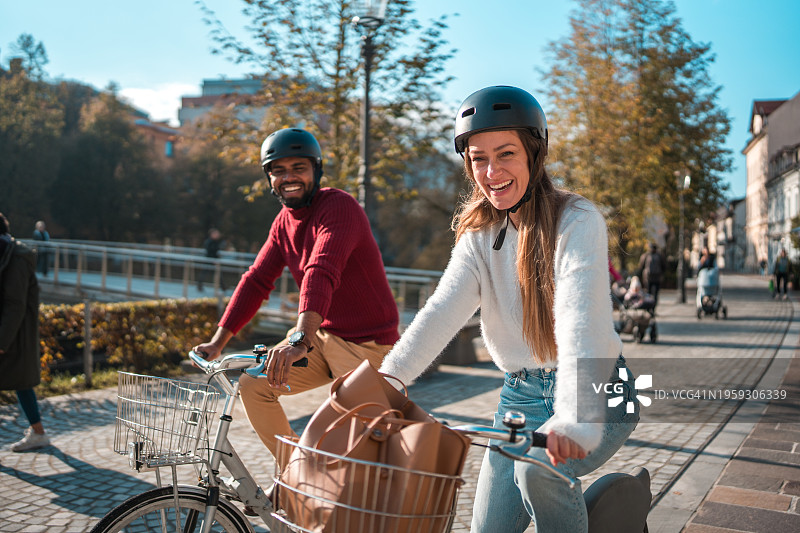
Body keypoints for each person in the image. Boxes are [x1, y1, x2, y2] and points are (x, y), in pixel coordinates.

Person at [379, 86, 638, 533]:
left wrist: (574, 416)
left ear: (534, 154)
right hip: (518, 397)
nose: (491, 171)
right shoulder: (479, 235)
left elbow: (583, 320)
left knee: (537, 468)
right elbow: (443, 309)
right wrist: (389, 379)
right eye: (478, 158)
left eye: (505, 154)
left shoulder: (577, 221)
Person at [193, 128, 400, 460]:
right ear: (269, 178)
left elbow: (321, 270)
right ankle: (296, 471)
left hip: (367, 346)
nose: (288, 177)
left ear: (315, 171)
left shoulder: (339, 207)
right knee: (253, 385)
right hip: (322, 336)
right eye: (278, 170)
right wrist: (218, 342)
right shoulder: (283, 222)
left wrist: (299, 340)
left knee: (352, 451)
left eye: (298, 168)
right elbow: (256, 280)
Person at [0, 213, 51, 452]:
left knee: (21, 382)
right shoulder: (8, 252)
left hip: (14, 333)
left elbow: (15, 303)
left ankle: (39, 433)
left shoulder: (16, 258)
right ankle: (38, 432)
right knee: (21, 384)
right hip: (11, 331)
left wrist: (2, 341)